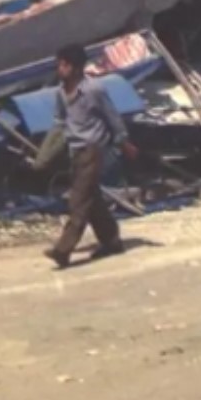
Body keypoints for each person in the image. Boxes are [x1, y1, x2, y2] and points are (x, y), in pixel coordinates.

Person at [43, 44, 140, 269]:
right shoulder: (60, 92)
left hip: (93, 149)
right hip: (74, 150)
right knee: (92, 199)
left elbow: (112, 117)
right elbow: (59, 121)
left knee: (78, 200)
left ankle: (63, 250)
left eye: (65, 64)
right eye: (60, 64)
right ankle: (111, 240)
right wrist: (48, 150)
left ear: (77, 68)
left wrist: (123, 141)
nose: (61, 68)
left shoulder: (94, 90)